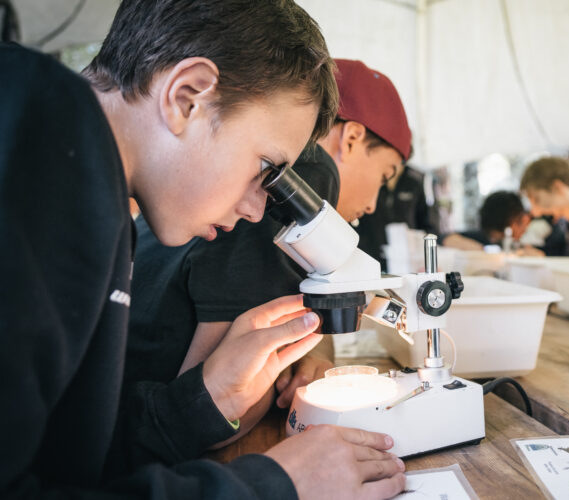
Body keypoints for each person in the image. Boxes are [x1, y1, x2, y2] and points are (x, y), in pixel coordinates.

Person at [0, 2, 405, 499]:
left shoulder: (90, 184)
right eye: (264, 168)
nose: (259, 211)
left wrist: (203, 400)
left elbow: (62, 463)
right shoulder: (35, 145)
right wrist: (271, 487)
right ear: (187, 96)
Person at [124, 57, 412, 460]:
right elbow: (217, 414)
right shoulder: (310, 169)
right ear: (350, 139)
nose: (372, 204)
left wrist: (308, 352)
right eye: (384, 176)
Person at [355, 163, 437, 269]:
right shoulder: (369, 176)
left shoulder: (416, 180)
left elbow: (427, 225)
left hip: (405, 262)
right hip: (369, 258)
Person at [442, 191, 539, 253]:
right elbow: (444, 238)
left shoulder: (542, 230)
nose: (493, 240)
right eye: (493, 237)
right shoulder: (490, 238)